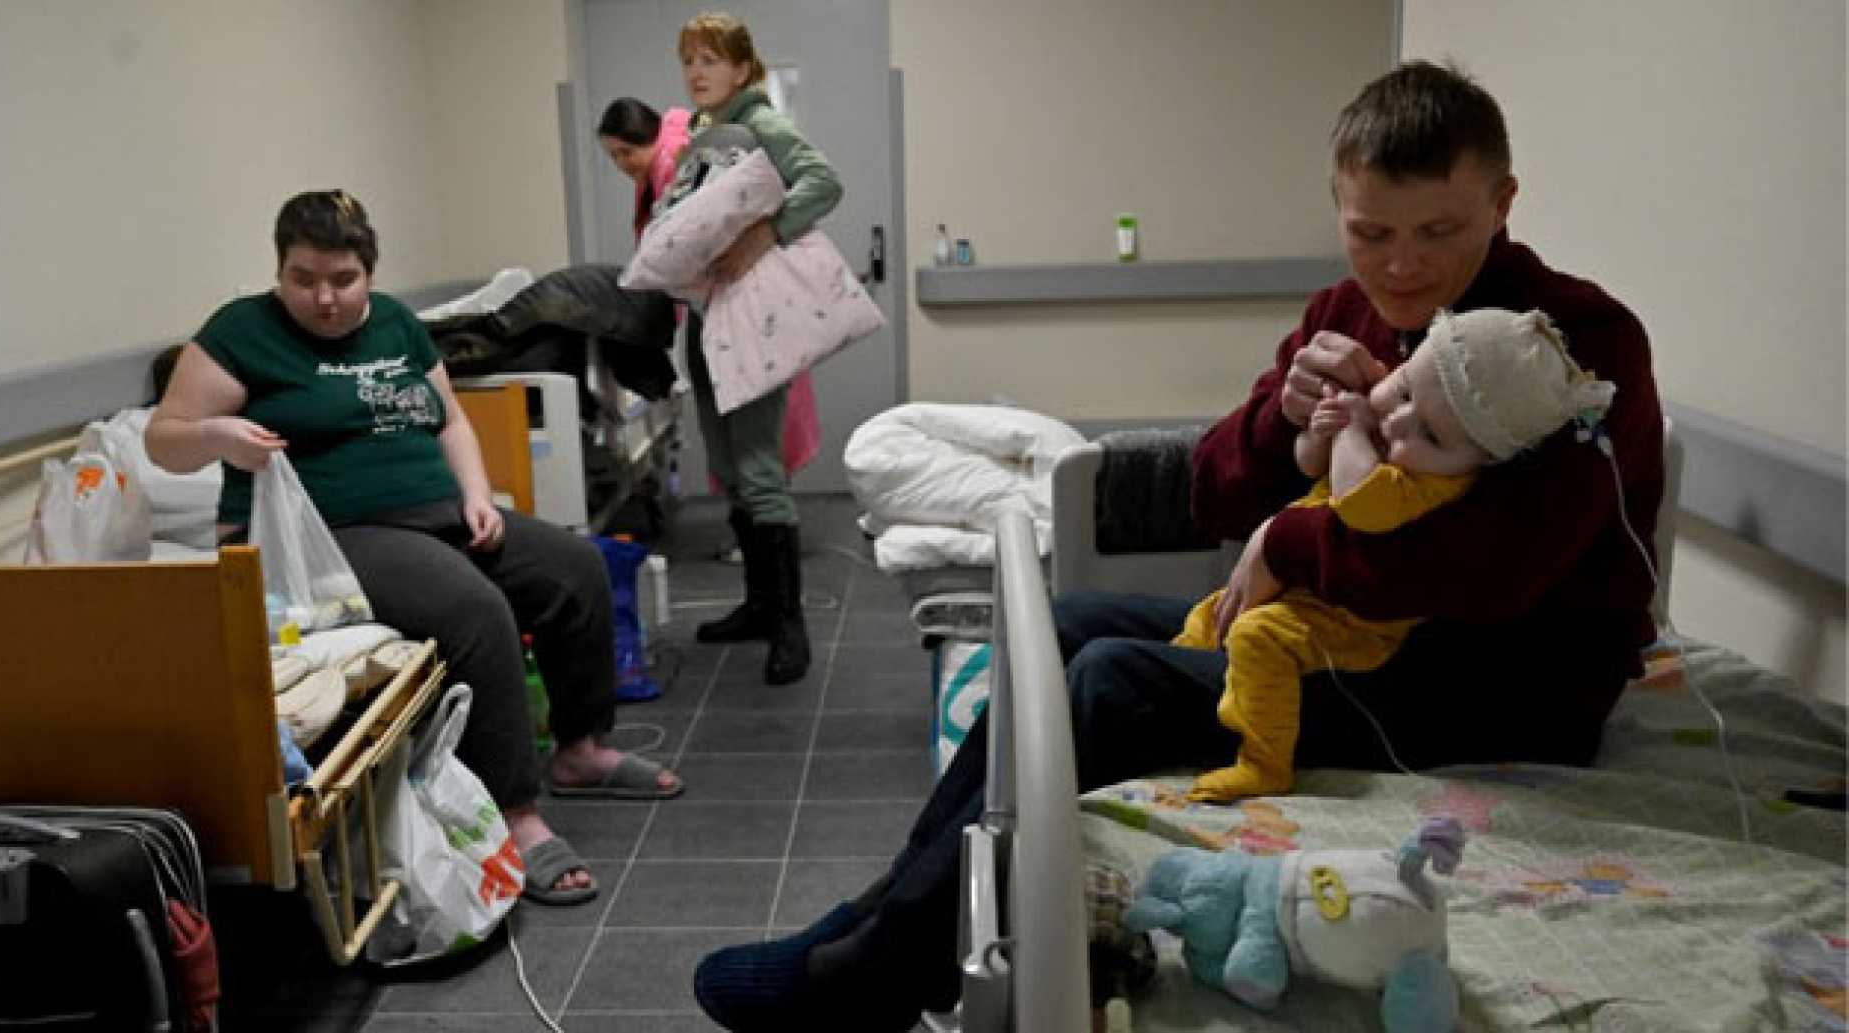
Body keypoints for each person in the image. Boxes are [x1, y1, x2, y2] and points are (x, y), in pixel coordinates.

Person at [691, 60, 1665, 1031]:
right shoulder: (1346, 314)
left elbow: (1489, 575)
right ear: (1338, 208)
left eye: (1438, 232)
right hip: (1342, 634)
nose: (1401, 266)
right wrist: (1283, 426)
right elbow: (1213, 490)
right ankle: (887, 906)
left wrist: (1287, 540)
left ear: (1502, 204)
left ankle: (878, 966)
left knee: (1110, 683)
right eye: (1372, 233)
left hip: (1497, 685)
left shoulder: (1572, 348)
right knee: (1066, 623)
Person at [145, 190, 684, 907]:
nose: (324, 298)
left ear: (369, 272)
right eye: (303, 279)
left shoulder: (396, 323)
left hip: (437, 511)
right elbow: (163, 439)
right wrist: (218, 436)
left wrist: (476, 493)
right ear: (279, 270)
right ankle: (515, 815)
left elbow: (450, 420)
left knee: (574, 567)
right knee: (475, 609)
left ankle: (580, 750)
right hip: (330, 537)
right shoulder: (241, 333)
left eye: (343, 279)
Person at [1176, 307, 1617, 801]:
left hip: (1354, 625)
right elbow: (1309, 463)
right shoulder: (1402, 435)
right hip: (1306, 592)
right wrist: (1319, 431)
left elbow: (1358, 501)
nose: (1400, 421)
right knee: (1207, 618)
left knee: (1256, 636)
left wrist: (1350, 430)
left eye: (1431, 435)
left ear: (1483, 459)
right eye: (1404, 391)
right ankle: (1188, 684)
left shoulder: (1435, 484)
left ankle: (1263, 764)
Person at [659, 12, 843, 686]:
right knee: (731, 469)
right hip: (708, 315)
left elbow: (823, 181)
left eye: (710, 59)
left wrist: (765, 235)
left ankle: (789, 626)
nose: (696, 71)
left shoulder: (761, 123)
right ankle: (760, 606)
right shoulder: (704, 133)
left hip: (752, 317)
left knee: (760, 469)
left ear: (742, 68)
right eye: (689, 60)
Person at [597, 96, 692, 241]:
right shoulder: (648, 171)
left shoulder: (671, 164)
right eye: (614, 156)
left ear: (649, 138)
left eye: (627, 152)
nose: (621, 164)